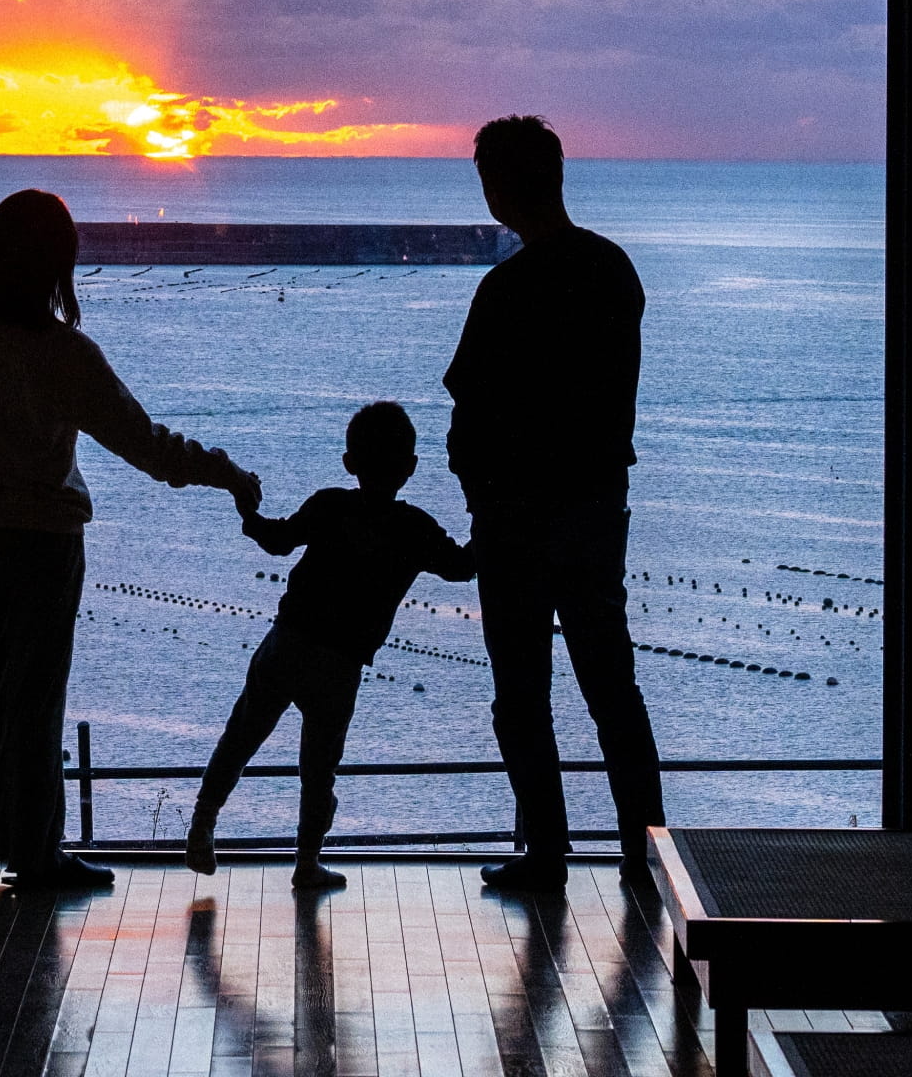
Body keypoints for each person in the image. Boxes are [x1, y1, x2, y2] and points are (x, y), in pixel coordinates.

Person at [0, 189, 258, 890]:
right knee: (35, 707)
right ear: (58, 266)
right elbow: (148, 444)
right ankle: (35, 856)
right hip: (43, 549)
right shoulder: (65, 353)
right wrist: (225, 472)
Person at [443, 115, 666, 892]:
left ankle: (547, 852)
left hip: (514, 517)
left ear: (499, 188)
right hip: (598, 506)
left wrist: (479, 493)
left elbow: (467, 410)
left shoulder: (507, 288)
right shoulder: (614, 270)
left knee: (522, 694)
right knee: (611, 684)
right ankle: (647, 853)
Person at [184, 402, 476, 890]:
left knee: (241, 737)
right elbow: (463, 566)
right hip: (340, 663)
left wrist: (247, 510)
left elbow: (276, 540)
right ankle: (306, 863)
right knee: (319, 769)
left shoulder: (328, 504)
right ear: (410, 466)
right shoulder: (415, 529)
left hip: (287, 641)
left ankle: (203, 821)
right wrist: (491, 512)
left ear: (349, 462)